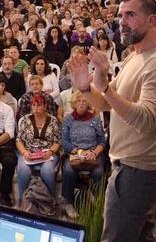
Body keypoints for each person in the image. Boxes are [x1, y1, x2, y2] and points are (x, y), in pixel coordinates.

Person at [68, 0, 156, 241]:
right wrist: (87, 88)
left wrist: (105, 86)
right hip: (135, 169)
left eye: (130, 14)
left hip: (138, 172)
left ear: (152, 20)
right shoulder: (136, 55)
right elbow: (108, 105)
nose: (122, 21)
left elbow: (146, 119)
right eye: (120, 15)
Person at [60, 91, 106, 219]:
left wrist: (94, 152)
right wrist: (79, 151)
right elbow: (64, 142)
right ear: (74, 103)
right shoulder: (68, 119)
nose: (81, 103)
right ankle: (68, 202)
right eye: (78, 101)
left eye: (84, 101)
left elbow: (102, 141)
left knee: (98, 172)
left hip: (93, 154)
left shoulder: (95, 119)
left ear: (88, 103)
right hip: (75, 153)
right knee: (69, 171)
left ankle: (96, 198)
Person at [15, 94, 61, 208]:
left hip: (48, 153)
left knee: (48, 171)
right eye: (33, 105)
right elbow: (18, 140)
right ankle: (22, 199)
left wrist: (50, 152)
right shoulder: (25, 120)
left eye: (39, 105)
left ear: (45, 106)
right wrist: (25, 153)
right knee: (23, 169)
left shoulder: (53, 120)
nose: (35, 108)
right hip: (28, 152)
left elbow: (58, 142)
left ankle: (51, 200)